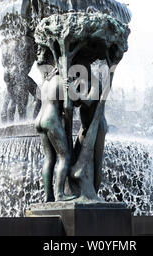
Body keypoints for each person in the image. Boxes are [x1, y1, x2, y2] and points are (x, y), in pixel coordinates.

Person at [35, 46, 107, 201]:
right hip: (52, 120)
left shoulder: (48, 80)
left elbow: (85, 102)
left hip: (41, 119)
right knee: (65, 157)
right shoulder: (62, 79)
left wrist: (74, 89)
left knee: (49, 159)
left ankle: (50, 196)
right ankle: (59, 194)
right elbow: (71, 104)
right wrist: (72, 88)